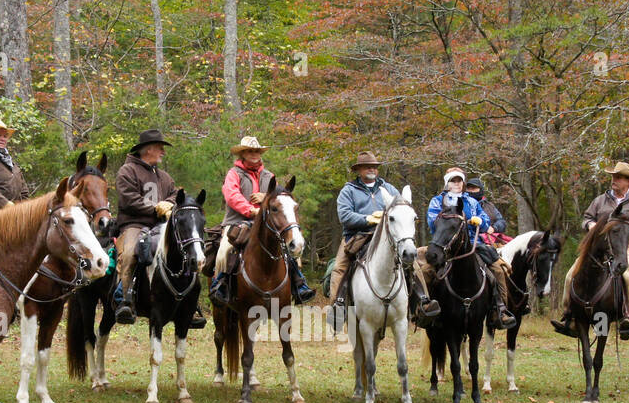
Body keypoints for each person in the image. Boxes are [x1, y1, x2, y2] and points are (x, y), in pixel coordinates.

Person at [551, 161, 629, 340]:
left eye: (618, 177)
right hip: (599, 249)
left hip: (626, 246)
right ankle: (569, 317)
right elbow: (586, 218)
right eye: (613, 177)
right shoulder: (601, 200)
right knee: (571, 274)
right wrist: (590, 225)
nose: (614, 180)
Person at [329, 151, 438, 329]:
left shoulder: (390, 189)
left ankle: (422, 303)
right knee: (340, 267)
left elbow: (402, 210)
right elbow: (345, 215)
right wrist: (368, 219)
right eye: (367, 166)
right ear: (359, 170)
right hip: (357, 236)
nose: (372, 169)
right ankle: (338, 306)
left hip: (388, 238)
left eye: (374, 166)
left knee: (413, 263)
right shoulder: (348, 190)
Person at [209, 135, 314, 308]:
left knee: (286, 247)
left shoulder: (269, 176)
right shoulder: (233, 174)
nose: (254, 154)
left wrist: (265, 198)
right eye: (250, 151)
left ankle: (299, 284)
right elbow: (232, 196)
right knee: (225, 250)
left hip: (266, 224)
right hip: (238, 222)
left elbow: (279, 198)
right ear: (242, 154)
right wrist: (251, 209)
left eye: (256, 151)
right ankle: (220, 286)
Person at [112, 129, 203, 327]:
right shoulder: (126, 171)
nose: (163, 151)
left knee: (185, 248)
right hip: (134, 224)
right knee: (129, 253)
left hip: (161, 225)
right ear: (148, 149)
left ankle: (190, 305)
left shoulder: (164, 176)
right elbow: (129, 200)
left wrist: (169, 204)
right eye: (160, 148)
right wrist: (154, 208)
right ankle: (125, 300)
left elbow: (175, 194)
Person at [417, 167, 518, 330]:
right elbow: (432, 223)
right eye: (453, 180)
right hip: (444, 245)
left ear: (463, 183)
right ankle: (424, 308)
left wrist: (480, 221)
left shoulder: (471, 202)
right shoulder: (437, 201)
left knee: (499, 270)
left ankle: (500, 310)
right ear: (446, 183)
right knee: (426, 270)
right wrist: (459, 220)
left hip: (473, 245)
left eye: (459, 181)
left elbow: (485, 223)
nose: (456, 183)